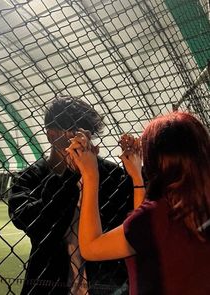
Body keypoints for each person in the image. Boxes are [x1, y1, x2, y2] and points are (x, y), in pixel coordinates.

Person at [67, 111, 210, 295]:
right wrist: (136, 177)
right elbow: (146, 237)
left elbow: (91, 247)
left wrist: (90, 175)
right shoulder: (196, 205)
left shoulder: (158, 214)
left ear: (155, 160)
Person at [8, 96, 133, 295]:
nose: (81, 140)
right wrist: (69, 175)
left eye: (87, 134)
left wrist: (136, 173)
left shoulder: (111, 174)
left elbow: (135, 223)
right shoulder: (30, 178)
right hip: (48, 285)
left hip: (106, 286)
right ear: (51, 135)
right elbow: (33, 224)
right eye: (73, 132)